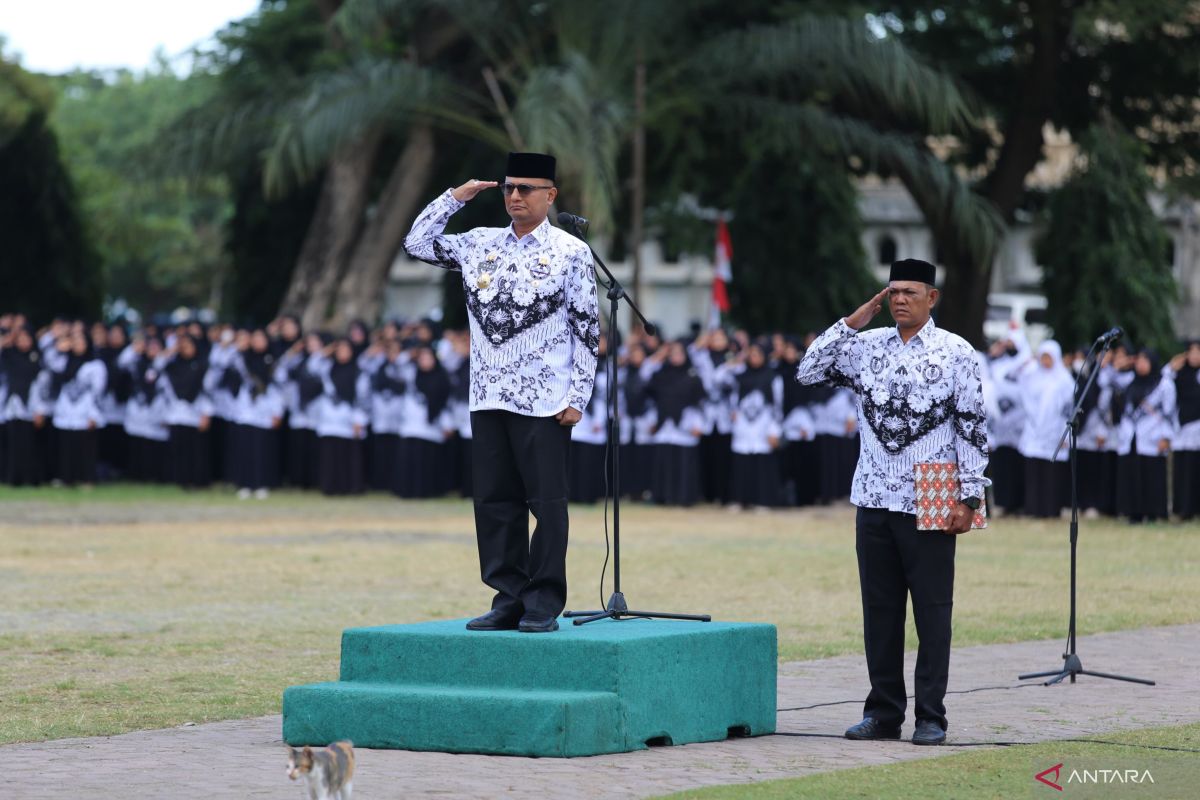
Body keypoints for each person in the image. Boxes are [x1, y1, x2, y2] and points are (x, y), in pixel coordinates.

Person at [796, 259, 989, 747]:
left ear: (932, 297)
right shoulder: (866, 347)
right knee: (880, 612)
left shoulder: (956, 353)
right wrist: (851, 322)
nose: (899, 299)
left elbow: (972, 427)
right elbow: (808, 370)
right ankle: (883, 713)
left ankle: (931, 716)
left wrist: (971, 497)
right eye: (893, 291)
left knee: (932, 612)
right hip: (874, 492)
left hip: (933, 489)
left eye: (909, 291)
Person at [404, 151, 599, 633]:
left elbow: (588, 329)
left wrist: (579, 396)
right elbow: (416, 243)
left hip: (545, 398)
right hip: (487, 393)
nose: (515, 196)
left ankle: (543, 600)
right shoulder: (478, 244)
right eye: (510, 188)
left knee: (546, 504)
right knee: (494, 502)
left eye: (526, 189)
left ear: (550, 195)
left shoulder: (571, 252)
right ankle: (507, 596)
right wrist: (454, 199)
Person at [1013, 340, 1074, 518]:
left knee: (1051, 474)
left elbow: (1068, 409)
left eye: (1049, 357)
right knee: (1034, 471)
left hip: (1054, 432)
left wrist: (1066, 435)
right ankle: (1033, 508)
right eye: (1043, 357)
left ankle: (1051, 509)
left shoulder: (1064, 380)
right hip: (1034, 431)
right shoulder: (1033, 377)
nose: (1046, 361)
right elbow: (1018, 382)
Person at [1114, 349, 1175, 523]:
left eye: (1145, 361)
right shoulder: (1129, 381)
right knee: (1132, 474)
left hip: (1154, 436)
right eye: (1139, 361)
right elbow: (1105, 380)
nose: (1141, 365)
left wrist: (1166, 437)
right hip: (1131, 436)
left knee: (1152, 475)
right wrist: (1120, 365)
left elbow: (1170, 412)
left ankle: (1154, 513)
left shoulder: (1164, 384)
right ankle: (1133, 512)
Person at [1167, 342, 1200, 519]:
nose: (1195, 356)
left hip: (1198, 427)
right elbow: (1164, 383)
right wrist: (1172, 366)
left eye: (1198, 352)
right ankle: (1182, 508)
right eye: (1192, 352)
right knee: (1183, 469)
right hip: (1183, 427)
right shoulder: (1179, 374)